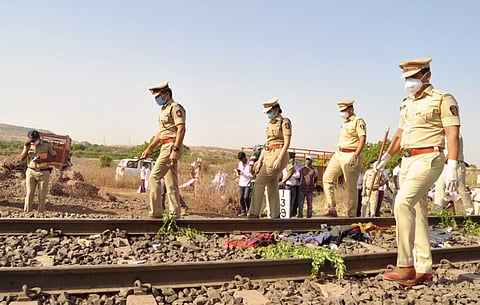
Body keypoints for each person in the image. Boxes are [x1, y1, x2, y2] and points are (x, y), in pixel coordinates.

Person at [376, 58, 460, 286]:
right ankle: (424, 268)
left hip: (429, 157)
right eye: (406, 79)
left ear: (427, 76)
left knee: (402, 202)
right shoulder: (407, 102)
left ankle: (405, 265)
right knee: (417, 210)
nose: (409, 82)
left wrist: (452, 165)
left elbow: (452, 133)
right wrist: (385, 157)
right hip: (407, 160)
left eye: (413, 77)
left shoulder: (443, 98)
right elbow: (399, 133)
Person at [141, 81, 186, 218]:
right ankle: (174, 213)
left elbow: (181, 129)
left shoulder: (175, 107)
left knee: (154, 177)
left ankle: (156, 212)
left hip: (171, 145)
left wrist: (175, 149)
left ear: (166, 94)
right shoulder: (164, 110)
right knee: (170, 181)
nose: (156, 99)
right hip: (165, 145)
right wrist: (149, 149)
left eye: (158, 96)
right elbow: (161, 134)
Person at [248, 98, 291, 219]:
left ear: (276, 109)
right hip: (268, 153)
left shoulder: (284, 121)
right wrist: (260, 159)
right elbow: (267, 143)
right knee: (272, 184)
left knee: (259, 182)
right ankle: (275, 215)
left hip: (278, 152)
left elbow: (287, 142)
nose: (268, 114)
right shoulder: (270, 123)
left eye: (269, 111)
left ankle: (254, 213)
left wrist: (279, 159)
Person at [322, 100, 366, 217]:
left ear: (351, 109)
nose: (342, 113)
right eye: (341, 111)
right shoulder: (345, 123)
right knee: (327, 178)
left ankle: (351, 215)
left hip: (351, 154)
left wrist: (355, 155)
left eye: (344, 110)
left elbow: (362, 138)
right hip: (339, 153)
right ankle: (331, 207)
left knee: (350, 187)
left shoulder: (358, 121)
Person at [432, 134, 473, 215]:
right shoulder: (443, 136)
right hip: (445, 165)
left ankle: (470, 213)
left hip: (457, 164)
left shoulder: (456, 135)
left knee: (461, 189)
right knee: (439, 187)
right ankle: (437, 211)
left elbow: (452, 151)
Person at [18, 130, 57, 213]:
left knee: (42, 194)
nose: (33, 142)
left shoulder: (47, 145)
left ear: (39, 138)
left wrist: (43, 160)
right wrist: (26, 149)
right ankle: (27, 213)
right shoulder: (27, 145)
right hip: (31, 171)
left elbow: (54, 157)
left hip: (44, 171)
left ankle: (40, 213)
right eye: (31, 140)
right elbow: (21, 158)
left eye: (34, 140)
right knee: (29, 193)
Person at [281, 152, 303, 217]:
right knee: (287, 201)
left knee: (292, 202)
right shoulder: (285, 165)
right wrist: (292, 175)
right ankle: (286, 214)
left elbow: (298, 175)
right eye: (291, 158)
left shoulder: (297, 165)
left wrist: (291, 175)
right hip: (287, 185)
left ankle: (290, 214)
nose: (292, 159)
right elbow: (286, 175)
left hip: (294, 186)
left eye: (293, 158)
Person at [236, 152, 251, 216]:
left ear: (245, 157)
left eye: (242, 159)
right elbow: (239, 172)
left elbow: (251, 174)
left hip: (248, 182)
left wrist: (243, 173)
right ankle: (243, 211)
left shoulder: (250, 164)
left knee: (246, 197)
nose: (242, 161)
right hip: (241, 182)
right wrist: (238, 173)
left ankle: (249, 210)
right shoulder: (240, 164)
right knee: (241, 197)